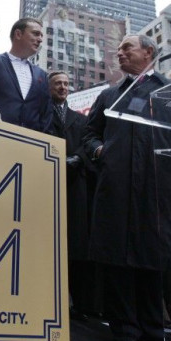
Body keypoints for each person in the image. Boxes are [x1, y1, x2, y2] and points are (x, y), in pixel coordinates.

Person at [83, 35, 171, 341]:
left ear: (149, 52)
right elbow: (90, 135)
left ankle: (154, 332)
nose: (119, 52)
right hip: (117, 186)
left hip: (158, 188)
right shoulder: (109, 96)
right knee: (120, 258)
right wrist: (100, 151)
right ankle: (125, 330)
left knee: (154, 259)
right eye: (117, 49)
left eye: (126, 48)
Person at [49, 71, 99, 320]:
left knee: (75, 240)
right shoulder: (43, 114)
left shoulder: (80, 120)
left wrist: (78, 158)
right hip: (47, 179)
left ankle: (79, 300)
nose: (63, 87)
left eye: (66, 83)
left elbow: (87, 142)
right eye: (58, 83)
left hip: (74, 182)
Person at [0, 18, 52, 133]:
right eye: (35, 34)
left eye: (41, 35)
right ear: (18, 34)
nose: (40, 39)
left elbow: (46, 115)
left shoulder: (42, 75)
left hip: (31, 145)